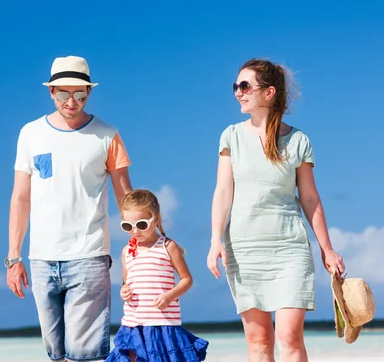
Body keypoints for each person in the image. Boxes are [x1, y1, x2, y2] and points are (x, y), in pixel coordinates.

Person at [207, 58, 345, 362]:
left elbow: (310, 198)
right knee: (258, 343)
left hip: (289, 248)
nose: (237, 92)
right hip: (244, 249)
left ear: (268, 92)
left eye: (245, 86)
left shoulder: (298, 141)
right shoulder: (231, 136)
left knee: (290, 339)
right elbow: (223, 191)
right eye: (235, 86)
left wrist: (327, 248)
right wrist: (215, 239)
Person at [5, 55, 133, 362]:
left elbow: (126, 197)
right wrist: (13, 257)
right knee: (55, 354)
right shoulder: (30, 134)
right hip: (41, 259)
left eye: (79, 94)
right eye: (63, 94)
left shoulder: (107, 135)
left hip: (89, 257)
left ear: (89, 93)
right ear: (51, 92)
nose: (71, 101)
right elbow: (21, 198)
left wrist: (140, 248)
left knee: (85, 356)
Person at [106, 189, 209, 362]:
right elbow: (126, 283)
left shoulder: (167, 247)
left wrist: (170, 296)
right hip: (133, 323)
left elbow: (187, 280)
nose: (135, 231)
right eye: (127, 226)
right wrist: (124, 291)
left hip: (163, 323)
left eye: (141, 225)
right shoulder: (127, 252)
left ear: (156, 219)